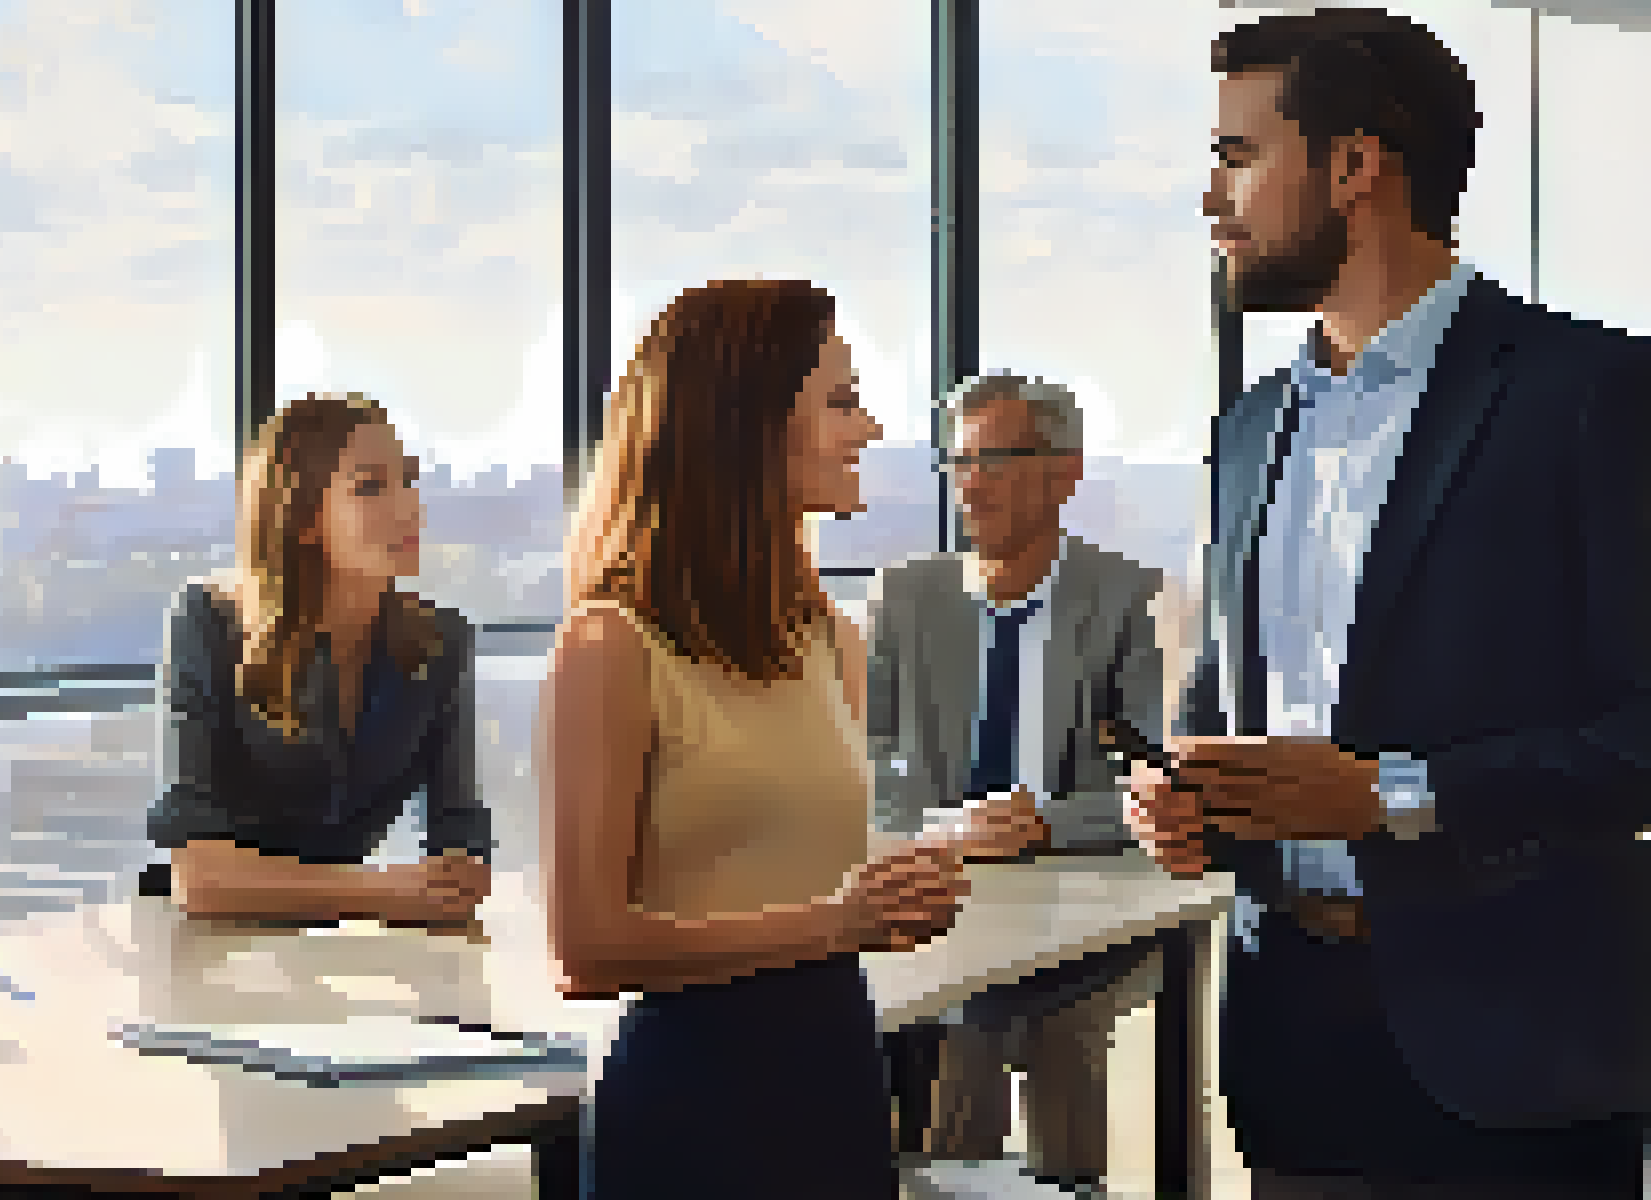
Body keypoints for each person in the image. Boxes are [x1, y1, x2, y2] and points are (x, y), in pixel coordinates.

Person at [1129, 10, 1651, 1197]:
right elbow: (1226, 693)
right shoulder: (1247, 429)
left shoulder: (1595, 392)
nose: (1215, 200)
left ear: (1357, 166)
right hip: (1292, 1045)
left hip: (1518, 1057)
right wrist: (1192, 799)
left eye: (1238, 156)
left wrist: (1392, 796)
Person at [542, 278, 1028, 1197]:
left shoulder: (827, 634)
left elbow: (788, 849)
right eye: (840, 402)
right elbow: (588, 948)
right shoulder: (609, 645)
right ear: (746, 424)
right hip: (695, 1109)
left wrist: (918, 867)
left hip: (836, 1081)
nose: (869, 429)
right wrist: (840, 922)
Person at [868, 372, 1163, 1192]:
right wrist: (938, 826)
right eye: (960, 461)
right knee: (966, 1013)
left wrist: (1044, 823)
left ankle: (1066, 1184)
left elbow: (1154, 782)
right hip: (944, 887)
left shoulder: (1123, 598)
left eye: (998, 457)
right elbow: (865, 756)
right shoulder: (907, 597)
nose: (973, 480)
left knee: (1046, 1019)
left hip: (1081, 904)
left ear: (1065, 470)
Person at [143, 391, 493, 928]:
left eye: (408, 480)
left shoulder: (442, 643)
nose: (408, 507)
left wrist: (460, 872)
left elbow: (460, 832)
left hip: (335, 947)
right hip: (205, 949)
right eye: (370, 487)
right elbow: (200, 879)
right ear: (303, 519)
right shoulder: (209, 622)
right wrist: (385, 892)